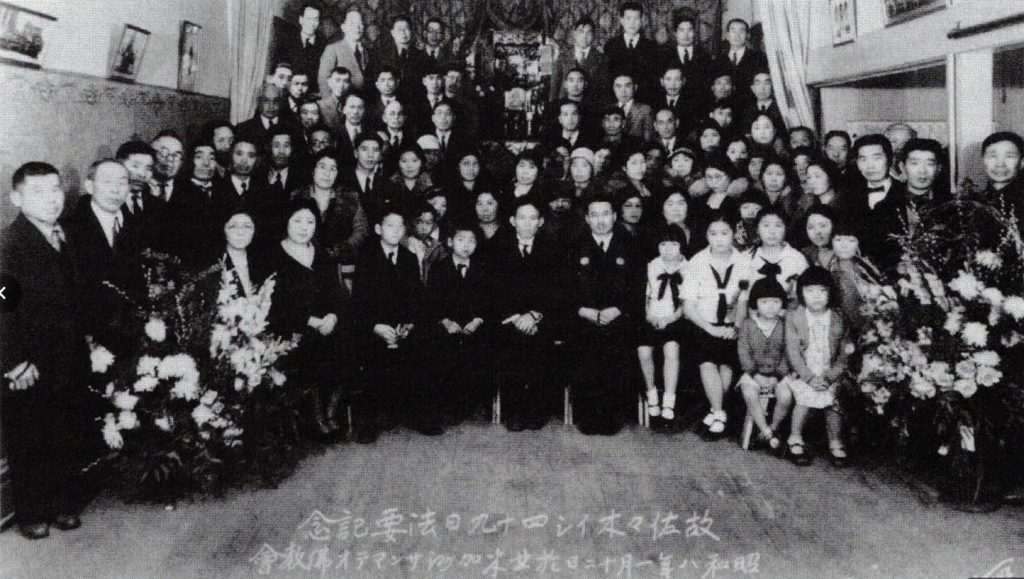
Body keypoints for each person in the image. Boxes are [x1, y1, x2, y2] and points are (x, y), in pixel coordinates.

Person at [1, 162, 90, 539]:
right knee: (30, 439)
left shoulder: (61, 235)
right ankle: (32, 513)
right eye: (38, 192)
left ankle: (61, 504)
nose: (52, 198)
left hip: (65, 357)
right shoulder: (8, 245)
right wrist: (15, 362)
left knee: (62, 431)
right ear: (16, 198)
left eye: (56, 189)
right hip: (28, 363)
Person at [350, 208, 431, 440]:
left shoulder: (408, 257)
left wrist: (408, 325)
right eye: (390, 225)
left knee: (424, 341)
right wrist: (377, 327)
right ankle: (368, 421)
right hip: (374, 326)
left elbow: (415, 298)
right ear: (378, 229)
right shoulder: (366, 257)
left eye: (400, 226)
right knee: (369, 352)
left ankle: (418, 415)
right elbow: (359, 302)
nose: (396, 231)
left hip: (401, 326)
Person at [268, 199, 345, 437]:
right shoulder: (274, 256)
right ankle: (316, 416)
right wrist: (309, 320)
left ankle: (332, 411)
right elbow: (272, 304)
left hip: (326, 324)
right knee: (310, 345)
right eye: (298, 221)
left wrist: (332, 315)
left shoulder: (322, 254)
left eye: (310, 221)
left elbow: (337, 293)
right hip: (291, 326)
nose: (304, 227)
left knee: (346, 340)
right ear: (287, 223)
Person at [494, 198, 564, 431]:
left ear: (541, 222)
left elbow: (557, 290)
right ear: (513, 221)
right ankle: (515, 409)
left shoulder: (553, 248)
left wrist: (534, 316)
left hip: (542, 317)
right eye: (522, 218)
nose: (527, 223)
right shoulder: (498, 247)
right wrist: (515, 317)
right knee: (512, 342)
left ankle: (536, 408)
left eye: (533, 218)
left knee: (540, 342)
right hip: (508, 318)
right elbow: (492, 290)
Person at [570, 195, 634, 435]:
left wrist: (617, 309)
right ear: (586, 219)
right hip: (583, 317)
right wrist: (582, 309)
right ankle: (587, 415)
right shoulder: (574, 246)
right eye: (594, 215)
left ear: (615, 216)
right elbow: (565, 287)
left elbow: (637, 286)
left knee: (617, 351)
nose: (600, 220)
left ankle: (611, 415)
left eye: (605, 214)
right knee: (585, 353)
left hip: (619, 317)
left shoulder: (629, 244)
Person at [425, 224, 497, 422]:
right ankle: (451, 403)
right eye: (461, 240)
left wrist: (478, 320)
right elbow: (433, 302)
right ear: (450, 242)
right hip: (448, 325)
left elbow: (489, 301)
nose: (466, 245)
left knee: (485, 344)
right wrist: (446, 321)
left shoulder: (482, 268)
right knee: (443, 347)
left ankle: (479, 401)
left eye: (472, 240)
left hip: (475, 324)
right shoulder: (439, 268)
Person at [784, 266, 853, 467]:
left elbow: (844, 355)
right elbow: (793, 352)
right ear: (801, 293)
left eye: (822, 291)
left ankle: (835, 441)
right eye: (810, 291)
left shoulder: (838, 318)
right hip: (802, 372)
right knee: (805, 398)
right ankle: (795, 437)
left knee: (833, 399)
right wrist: (810, 378)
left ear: (830, 293)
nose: (816, 297)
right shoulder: (795, 316)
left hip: (828, 371)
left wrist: (829, 377)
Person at [682, 212, 744, 436]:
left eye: (724, 233)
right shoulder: (697, 262)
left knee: (727, 361)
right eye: (713, 233)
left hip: (734, 324)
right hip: (702, 323)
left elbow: (745, 299)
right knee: (707, 359)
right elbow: (689, 307)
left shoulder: (743, 261)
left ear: (734, 234)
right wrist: (710, 328)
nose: (719, 239)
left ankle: (714, 411)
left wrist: (734, 326)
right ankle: (719, 412)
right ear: (706, 236)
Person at [290, 148, 368, 293]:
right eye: (322, 167)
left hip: (342, 267)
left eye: (333, 169)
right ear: (313, 170)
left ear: (337, 173)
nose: (327, 173)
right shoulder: (297, 196)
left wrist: (338, 250)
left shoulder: (350, 197)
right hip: (303, 263)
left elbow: (361, 230)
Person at [637, 224, 688, 431]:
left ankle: (669, 400)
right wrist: (650, 316)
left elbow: (687, 303)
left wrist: (670, 318)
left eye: (674, 244)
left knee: (671, 349)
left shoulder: (689, 267)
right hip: (652, 318)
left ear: (682, 246)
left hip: (676, 319)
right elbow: (646, 297)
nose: (668, 249)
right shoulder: (652, 266)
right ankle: (651, 395)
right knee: (643, 350)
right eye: (663, 244)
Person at [736, 277, 793, 453]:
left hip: (779, 374)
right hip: (753, 373)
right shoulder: (748, 325)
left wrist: (778, 376)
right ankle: (766, 432)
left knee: (785, 397)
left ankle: (773, 428)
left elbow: (788, 353)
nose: (771, 306)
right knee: (750, 393)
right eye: (765, 302)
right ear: (755, 303)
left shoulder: (786, 325)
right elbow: (743, 353)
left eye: (776, 302)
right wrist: (755, 374)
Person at [845, 134, 908, 275]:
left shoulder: (905, 194)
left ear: (890, 159)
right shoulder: (848, 196)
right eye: (863, 159)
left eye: (877, 158)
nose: (870, 166)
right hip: (860, 275)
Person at [735, 207, 809, 322]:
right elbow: (741, 297)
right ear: (757, 229)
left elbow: (802, 298)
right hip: (753, 324)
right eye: (766, 225)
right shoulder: (746, 258)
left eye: (778, 225)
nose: (772, 231)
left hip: (788, 322)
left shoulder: (797, 259)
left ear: (786, 229)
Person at [603, 2, 659, 103]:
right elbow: (608, 78)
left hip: (644, 100)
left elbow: (653, 81)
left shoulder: (652, 47)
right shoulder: (611, 45)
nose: (632, 23)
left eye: (636, 19)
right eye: (628, 19)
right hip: (616, 101)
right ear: (621, 21)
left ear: (642, 21)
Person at [550, 17, 609, 103]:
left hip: (590, 107)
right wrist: (553, 107)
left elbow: (604, 90)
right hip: (564, 106)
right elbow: (555, 85)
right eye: (581, 32)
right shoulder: (562, 56)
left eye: (589, 33)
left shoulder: (601, 59)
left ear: (594, 35)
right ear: (575, 34)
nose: (584, 37)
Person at [375, 15, 429, 100]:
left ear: (411, 32)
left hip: (414, 103)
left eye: (406, 29)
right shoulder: (381, 56)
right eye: (399, 30)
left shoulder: (422, 57)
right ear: (392, 33)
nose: (403, 33)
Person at [275, 2, 324, 94]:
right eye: (308, 19)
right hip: (287, 92)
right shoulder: (286, 41)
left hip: (311, 95)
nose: (312, 23)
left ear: (319, 22)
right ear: (301, 20)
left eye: (316, 19)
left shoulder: (323, 46)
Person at [318, 7, 368, 92]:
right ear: (343, 27)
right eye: (352, 23)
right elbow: (323, 82)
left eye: (360, 23)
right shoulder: (333, 49)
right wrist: (330, 104)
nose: (357, 27)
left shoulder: (366, 51)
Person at [719, 18, 768, 91]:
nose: (737, 35)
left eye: (741, 31)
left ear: (747, 36)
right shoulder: (719, 59)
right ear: (727, 36)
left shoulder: (758, 57)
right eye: (733, 31)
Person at [612, 74, 654, 142]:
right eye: (618, 86)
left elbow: (648, 140)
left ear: (635, 87)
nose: (623, 91)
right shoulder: (609, 109)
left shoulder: (645, 110)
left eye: (627, 86)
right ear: (614, 89)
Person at [317, 66, 352, 136]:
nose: (341, 85)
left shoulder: (353, 105)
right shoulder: (320, 106)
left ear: (350, 84)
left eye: (346, 81)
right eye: (337, 80)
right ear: (329, 82)